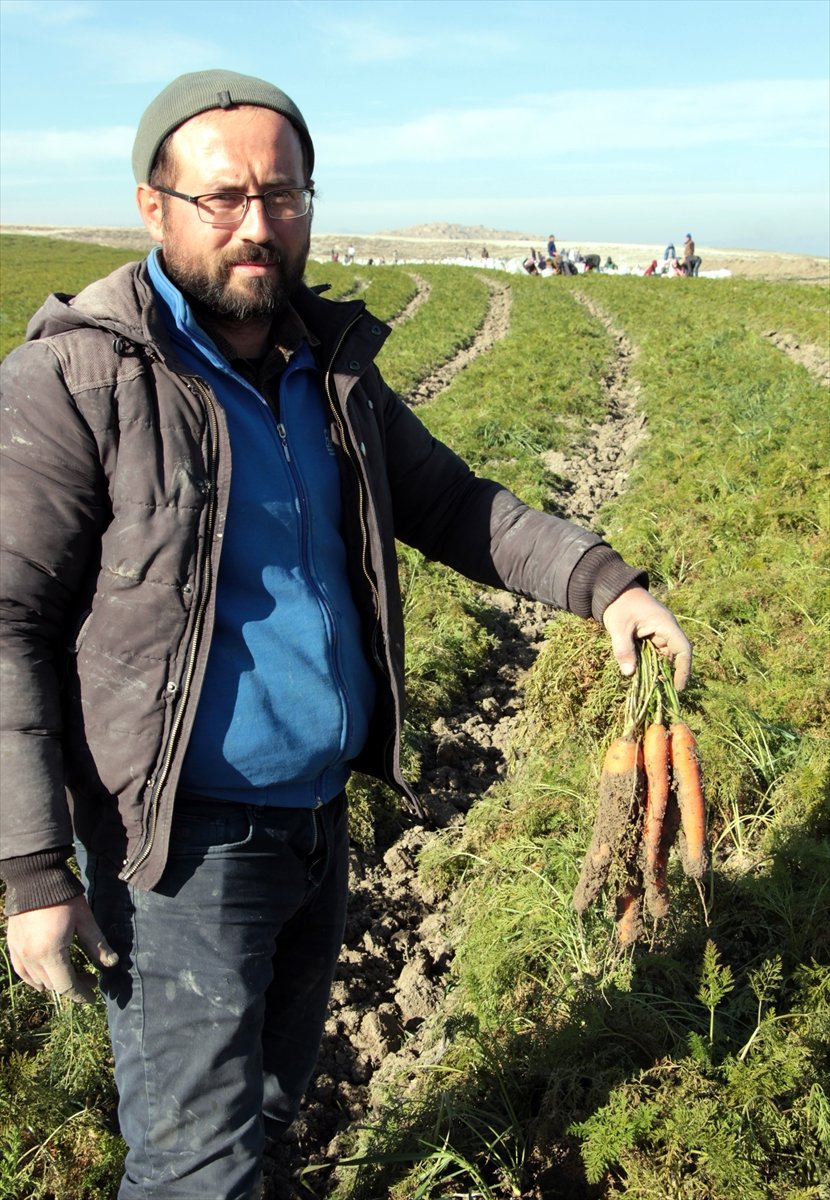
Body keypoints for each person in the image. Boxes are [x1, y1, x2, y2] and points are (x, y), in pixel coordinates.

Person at [0, 69, 692, 1199]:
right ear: (152, 206)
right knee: (195, 1171)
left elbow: (453, 506)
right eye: (223, 197)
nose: (257, 225)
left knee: (270, 1121)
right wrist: (32, 870)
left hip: (319, 824)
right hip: (180, 853)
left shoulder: (326, 369)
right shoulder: (78, 380)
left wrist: (604, 584)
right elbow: (6, 623)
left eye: (283, 194)